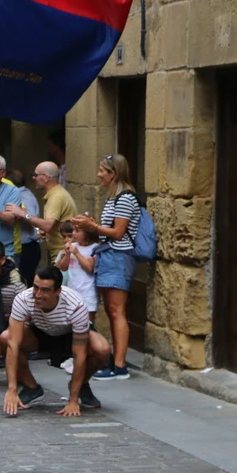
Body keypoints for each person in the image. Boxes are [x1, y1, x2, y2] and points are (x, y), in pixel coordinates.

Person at [0, 267, 109, 416]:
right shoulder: (23, 298)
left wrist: (73, 400)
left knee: (102, 349)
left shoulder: (75, 305)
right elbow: (13, 343)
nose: (38, 295)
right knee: (5, 338)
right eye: (36, 287)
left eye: (45, 290)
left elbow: (80, 355)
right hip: (40, 331)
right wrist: (11, 389)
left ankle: (81, 384)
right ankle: (31, 387)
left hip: (69, 334)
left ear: (58, 291)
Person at [72, 153, 141, 382]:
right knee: (112, 311)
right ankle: (115, 361)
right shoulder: (113, 197)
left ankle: (120, 366)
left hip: (118, 257)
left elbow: (118, 233)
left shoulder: (125, 198)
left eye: (102, 171)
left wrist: (92, 226)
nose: (98, 174)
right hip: (109, 255)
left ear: (114, 174)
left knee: (116, 310)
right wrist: (90, 224)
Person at [10, 161, 77, 264]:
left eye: (36, 175)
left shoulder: (56, 197)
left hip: (62, 254)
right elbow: (52, 226)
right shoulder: (56, 194)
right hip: (61, 252)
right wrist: (48, 233)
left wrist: (23, 214)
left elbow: (47, 225)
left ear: (45, 178)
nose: (33, 178)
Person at [54, 222, 98, 322]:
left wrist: (76, 253)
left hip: (88, 293)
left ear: (87, 232)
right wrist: (67, 254)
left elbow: (89, 268)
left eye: (77, 231)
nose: (73, 233)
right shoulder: (72, 246)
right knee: (72, 322)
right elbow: (63, 268)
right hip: (72, 292)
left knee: (87, 323)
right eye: (73, 230)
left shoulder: (94, 248)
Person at [7, 170, 41, 285]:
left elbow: (32, 219)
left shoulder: (23, 196)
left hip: (27, 247)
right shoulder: (24, 194)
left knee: (23, 284)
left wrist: (19, 214)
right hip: (25, 247)